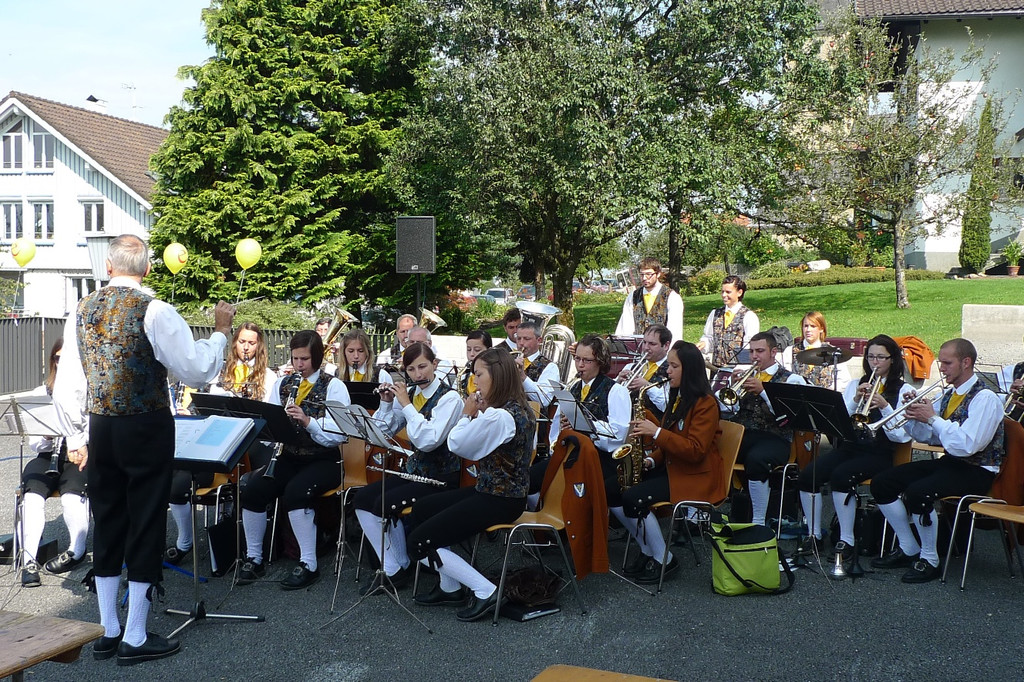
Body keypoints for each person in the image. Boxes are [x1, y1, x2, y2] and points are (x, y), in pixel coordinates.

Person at [53, 234, 233, 665]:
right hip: (146, 425)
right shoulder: (155, 310)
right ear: (148, 269)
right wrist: (221, 333)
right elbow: (196, 370)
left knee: (108, 519)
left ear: (108, 267)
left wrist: (76, 437)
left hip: (102, 425)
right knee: (146, 521)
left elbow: (68, 383)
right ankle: (134, 634)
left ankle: (107, 631)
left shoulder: (81, 309)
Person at [406, 348, 537, 621]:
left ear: (497, 376)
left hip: (500, 499)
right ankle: (450, 588)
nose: (474, 381)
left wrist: (466, 415)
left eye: (479, 374)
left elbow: (457, 444)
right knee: (422, 509)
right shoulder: (514, 408)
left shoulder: (501, 416)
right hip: (493, 492)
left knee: (418, 543)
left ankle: (486, 591)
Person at [870, 338, 1003, 583]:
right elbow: (928, 437)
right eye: (941, 362)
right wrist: (913, 416)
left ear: (966, 362)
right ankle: (909, 547)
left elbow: (967, 445)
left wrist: (932, 418)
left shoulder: (985, 398)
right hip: (953, 464)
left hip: (978, 470)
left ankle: (930, 559)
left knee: (918, 493)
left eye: (947, 363)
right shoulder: (949, 395)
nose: (941, 368)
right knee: (882, 483)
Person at [237, 330, 351, 591]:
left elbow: (339, 434)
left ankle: (309, 563)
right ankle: (254, 558)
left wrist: (308, 421)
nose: (299, 364)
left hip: (324, 459)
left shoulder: (335, 386)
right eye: (296, 358)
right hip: (289, 456)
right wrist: (273, 427)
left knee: (296, 493)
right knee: (253, 490)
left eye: (305, 359)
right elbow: (268, 421)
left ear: (317, 358)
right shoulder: (282, 384)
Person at [352, 342, 464, 592]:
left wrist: (406, 405)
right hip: (415, 473)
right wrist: (386, 403)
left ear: (435, 365)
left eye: (423, 367)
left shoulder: (450, 398)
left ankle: (398, 569)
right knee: (362, 499)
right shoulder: (411, 395)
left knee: (384, 503)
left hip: (441, 478)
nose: (418, 374)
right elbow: (381, 434)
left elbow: (428, 441)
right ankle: (395, 567)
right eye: (411, 370)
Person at [164, 321, 278, 566]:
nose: (245, 347)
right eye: (242, 341)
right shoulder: (220, 371)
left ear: (259, 346)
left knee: (254, 486)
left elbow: (270, 417)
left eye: (251, 343)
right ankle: (185, 541)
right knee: (176, 485)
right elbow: (206, 407)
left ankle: (251, 546)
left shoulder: (269, 376)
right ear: (234, 343)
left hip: (252, 444)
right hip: (218, 443)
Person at [795, 335, 914, 563]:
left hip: (880, 452)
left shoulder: (903, 389)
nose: (875, 362)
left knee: (842, 476)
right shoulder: (856, 384)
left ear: (892, 359)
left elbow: (900, 435)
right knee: (809, 475)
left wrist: (885, 406)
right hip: (851, 447)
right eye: (871, 357)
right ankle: (814, 535)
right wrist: (855, 399)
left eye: (881, 357)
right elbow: (839, 422)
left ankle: (847, 540)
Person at [622, 341, 722, 584]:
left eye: (674, 366)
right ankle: (648, 550)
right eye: (668, 365)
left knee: (633, 498)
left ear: (689, 370)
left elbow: (695, 451)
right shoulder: (678, 397)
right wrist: (650, 460)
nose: (667, 371)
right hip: (675, 469)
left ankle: (664, 558)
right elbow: (671, 443)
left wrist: (656, 432)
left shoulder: (706, 404)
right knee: (614, 489)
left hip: (695, 476)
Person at [17, 338, 91, 588]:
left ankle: (76, 551)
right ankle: (28, 559)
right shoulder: (41, 393)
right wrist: (46, 436)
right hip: (49, 455)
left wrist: (75, 437)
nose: (62, 363)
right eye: (58, 358)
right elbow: (34, 445)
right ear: (53, 361)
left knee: (72, 495)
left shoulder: (87, 392)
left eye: (68, 358)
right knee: (32, 494)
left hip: (79, 454)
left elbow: (95, 433)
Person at [535, 335, 630, 526]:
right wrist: (557, 443)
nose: (580, 365)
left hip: (600, 459)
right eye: (577, 358)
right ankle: (551, 527)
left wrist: (585, 425)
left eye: (586, 360)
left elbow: (618, 435)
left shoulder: (616, 391)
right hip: (571, 453)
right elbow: (556, 425)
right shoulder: (572, 389)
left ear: (600, 361)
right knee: (531, 479)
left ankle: (571, 528)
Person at [720, 331, 806, 527]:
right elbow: (728, 409)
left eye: (759, 351)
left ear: (773, 352)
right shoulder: (748, 375)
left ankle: (758, 522)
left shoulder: (791, 379)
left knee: (756, 460)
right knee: (706, 447)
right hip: (745, 434)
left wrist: (763, 391)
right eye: (751, 352)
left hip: (776, 438)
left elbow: (790, 417)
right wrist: (732, 386)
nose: (754, 357)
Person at [614, 257, 683, 345]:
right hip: (637, 349)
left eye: (648, 274)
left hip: (661, 350)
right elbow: (625, 326)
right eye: (642, 274)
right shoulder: (633, 296)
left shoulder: (672, 297)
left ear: (658, 274)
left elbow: (675, 330)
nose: (644, 278)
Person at [697, 275, 759, 368]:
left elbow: (750, 346)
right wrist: (704, 344)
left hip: (738, 370)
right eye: (722, 292)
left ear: (739, 292)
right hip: (716, 369)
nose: (724, 295)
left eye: (728, 292)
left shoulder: (749, 316)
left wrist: (742, 368)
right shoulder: (715, 313)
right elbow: (709, 337)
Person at [781, 311, 850, 392]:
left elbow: (844, 381)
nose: (808, 330)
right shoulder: (789, 351)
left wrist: (828, 391)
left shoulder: (834, 353)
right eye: (806, 326)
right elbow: (784, 377)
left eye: (813, 326)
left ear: (821, 329)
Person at [616, 324, 672, 419]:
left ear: (666, 346)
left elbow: (666, 405)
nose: (646, 347)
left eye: (652, 344)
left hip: (654, 422)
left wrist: (647, 386)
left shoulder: (672, 370)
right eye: (644, 342)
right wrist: (618, 382)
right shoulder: (631, 366)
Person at [516, 321, 560, 409]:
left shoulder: (550, 367)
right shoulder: (509, 360)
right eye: (518, 338)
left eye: (526, 339)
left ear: (539, 340)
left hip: (533, 416)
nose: (521, 343)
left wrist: (523, 377)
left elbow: (544, 400)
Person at [460, 330, 492, 395]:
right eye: (469, 349)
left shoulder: (493, 374)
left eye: (477, 350)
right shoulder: (464, 375)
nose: (471, 354)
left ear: (489, 351)